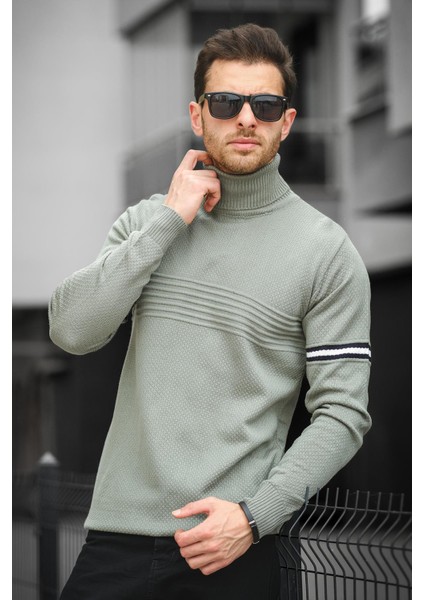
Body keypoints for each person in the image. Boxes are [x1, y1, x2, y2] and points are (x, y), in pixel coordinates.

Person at [49, 23, 372, 600]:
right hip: (117, 542)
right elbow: (72, 330)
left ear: (286, 123)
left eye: (264, 106)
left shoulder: (326, 252)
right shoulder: (149, 221)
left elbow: (342, 415)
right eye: (226, 102)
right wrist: (171, 219)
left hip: (237, 548)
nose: (246, 118)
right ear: (198, 117)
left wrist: (255, 516)